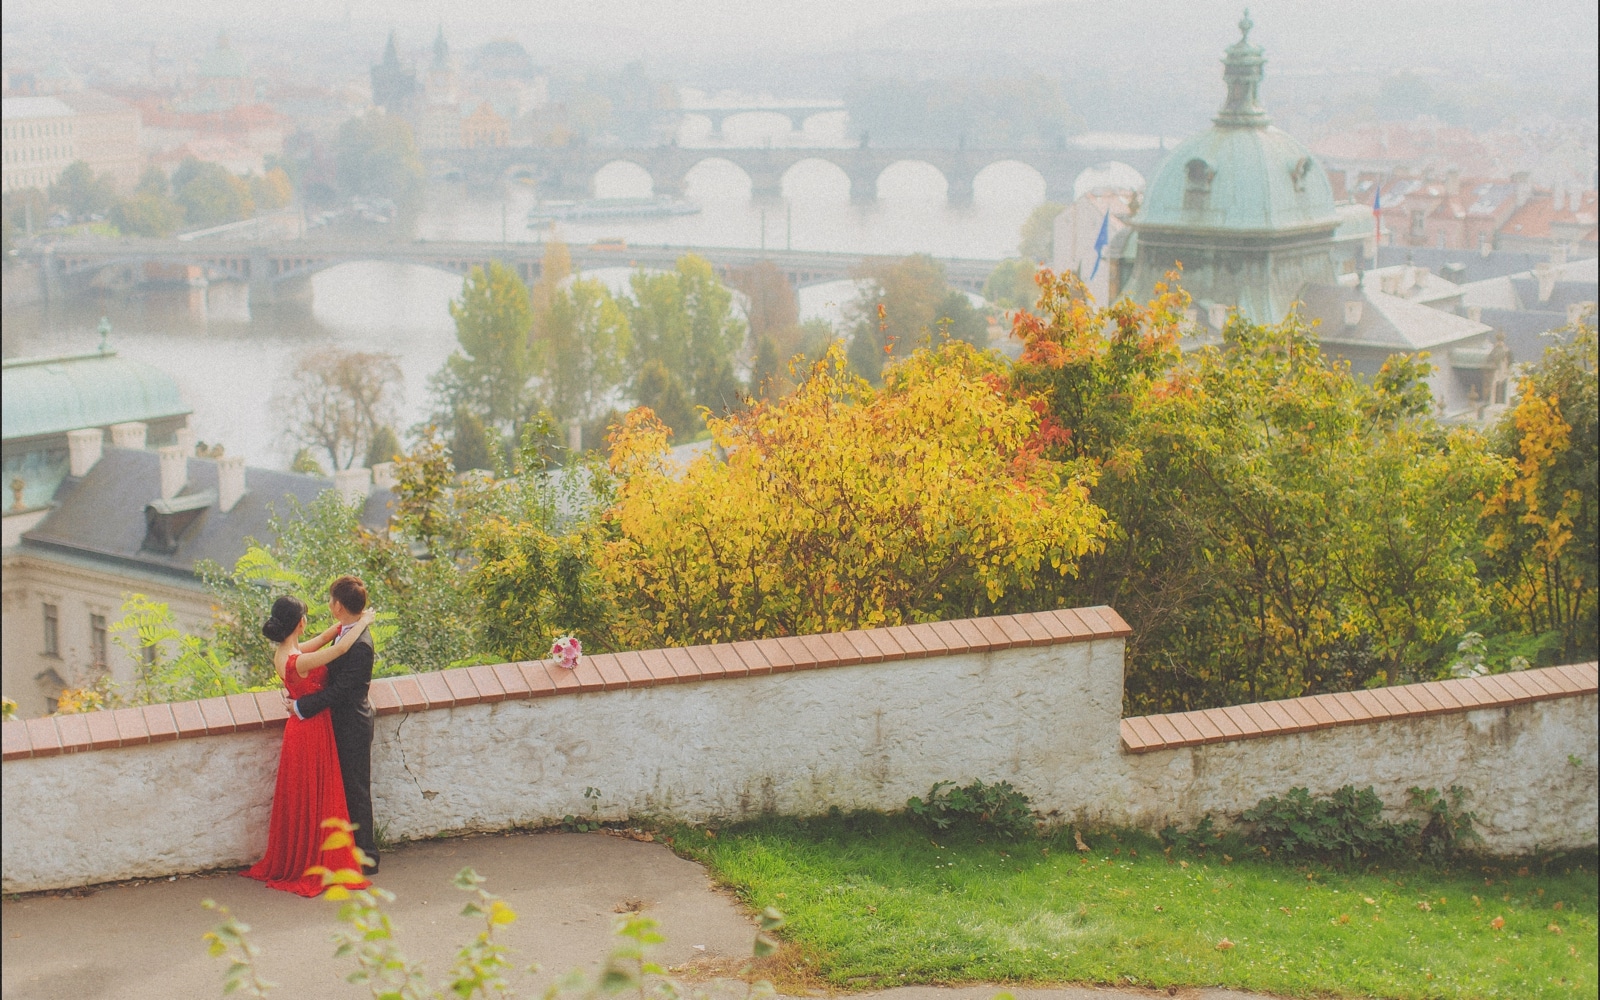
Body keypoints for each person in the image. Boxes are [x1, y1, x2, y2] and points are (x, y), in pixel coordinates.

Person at [243, 595, 375, 896]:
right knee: (320, 792)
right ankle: (320, 857)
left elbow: (330, 637)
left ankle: (303, 852)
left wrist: (345, 622)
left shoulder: (286, 653)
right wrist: (364, 621)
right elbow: (340, 648)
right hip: (314, 731)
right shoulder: (301, 659)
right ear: (300, 623)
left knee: (303, 794)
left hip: (298, 731)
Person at [285, 576, 381, 874]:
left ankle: (367, 856)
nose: (328, 604)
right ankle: (348, 850)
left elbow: (342, 691)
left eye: (330, 599)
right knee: (342, 788)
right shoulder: (345, 631)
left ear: (338, 606)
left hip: (351, 723)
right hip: (337, 723)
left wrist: (301, 706)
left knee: (356, 789)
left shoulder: (360, 645)